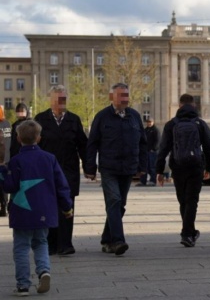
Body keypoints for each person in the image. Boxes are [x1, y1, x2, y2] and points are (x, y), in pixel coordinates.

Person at [0, 120, 73, 296]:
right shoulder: (50, 159)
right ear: (39, 138)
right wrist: (66, 207)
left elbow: (9, 187)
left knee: (21, 247)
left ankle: (23, 285)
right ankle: (44, 271)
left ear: (18, 139)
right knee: (41, 243)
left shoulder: (16, 161)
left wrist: (2, 172)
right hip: (44, 211)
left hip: (22, 210)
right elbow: (61, 185)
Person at [84, 83, 147, 256]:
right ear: (112, 97)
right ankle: (118, 241)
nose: (124, 98)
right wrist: (90, 167)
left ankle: (106, 239)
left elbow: (142, 143)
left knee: (120, 205)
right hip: (109, 168)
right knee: (114, 200)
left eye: (126, 95)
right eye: (121, 95)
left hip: (128, 168)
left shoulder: (134, 116)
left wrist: (142, 167)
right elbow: (92, 143)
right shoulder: (102, 117)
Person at [34, 85, 88, 256]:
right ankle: (50, 244)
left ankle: (65, 244)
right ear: (51, 100)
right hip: (46, 172)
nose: (61, 102)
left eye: (63, 98)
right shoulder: (40, 119)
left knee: (67, 206)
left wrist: (89, 168)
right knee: (48, 207)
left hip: (68, 171)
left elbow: (83, 146)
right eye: (57, 99)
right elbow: (34, 145)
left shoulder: (74, 120)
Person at [156, 94, 210, 247]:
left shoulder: (171, 124)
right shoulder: (200, 123)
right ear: (194, 105)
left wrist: (159, 171)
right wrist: (209, 167)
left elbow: (163, 149)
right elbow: (209, 148)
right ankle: (188, 233)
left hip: (178, 165)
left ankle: (188, 232)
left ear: (180, 106)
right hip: (196, 165)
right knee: (192, 200)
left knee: (183, 200)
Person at [139, 118, 159, 186]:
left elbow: (158, 141)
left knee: (152, 167)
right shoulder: (145, 130)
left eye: (150, 122)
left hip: (152, 152)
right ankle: (143, 181)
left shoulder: (155, 130)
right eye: (148, 122)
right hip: (145, 151)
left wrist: (153, 149)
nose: (149, 123)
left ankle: (153, 181)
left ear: (153, 122)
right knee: (144, 167)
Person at [0, 106, 10, 217]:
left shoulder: (4, 124)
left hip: (2, 159)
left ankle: (3, 206)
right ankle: (4, 206)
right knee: (3, 185)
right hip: (6, 159)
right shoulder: (7, 124)